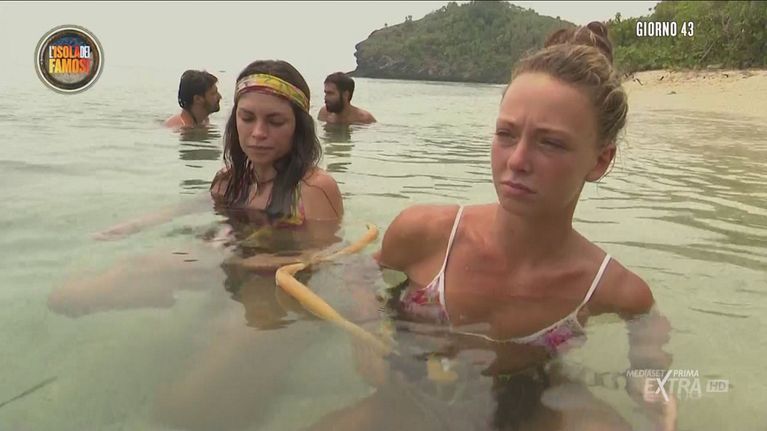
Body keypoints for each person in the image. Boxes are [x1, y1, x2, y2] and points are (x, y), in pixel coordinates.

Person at [307, 22, 676, 431]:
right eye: (506, 134)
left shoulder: (613, 288)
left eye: (550, 142)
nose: (517, 161)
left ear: (600, 160)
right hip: (409, 389)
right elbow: (360, 270)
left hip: (524, 398)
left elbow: (650, 354)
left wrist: (655, 393)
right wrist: (367, 328)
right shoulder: (428, 233)